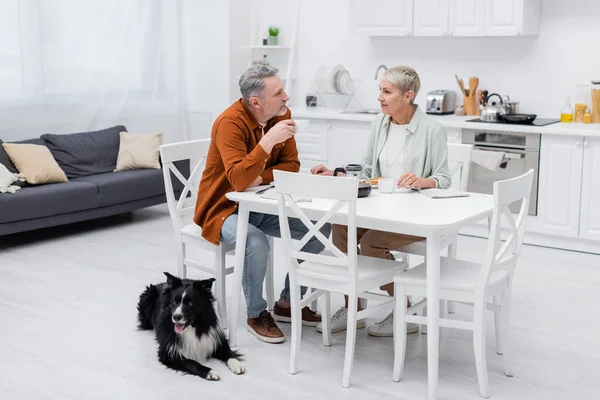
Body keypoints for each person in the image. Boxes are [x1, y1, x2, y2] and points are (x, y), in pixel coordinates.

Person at [193, 65, 331, 344]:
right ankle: (256, 313)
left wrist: (258, 177)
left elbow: (291, 165)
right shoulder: (228, 123)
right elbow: (238, 181)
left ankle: (288, 303)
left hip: (259, 204)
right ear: (256, 102)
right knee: (255, 242)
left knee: (318, 226)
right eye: (279, 92)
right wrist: (268, 141)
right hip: (221, 208)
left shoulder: (281, 114)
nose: (287, 97)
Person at [311, 66, 451, 337]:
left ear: (408, 95)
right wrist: (337, 174)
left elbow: (444, 179)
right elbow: (367, 173)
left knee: (372, 242)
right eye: (380, 91)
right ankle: (352, 307)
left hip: (415, 214)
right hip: (378, 208)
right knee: (342, 229)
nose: (380, 97)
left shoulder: (432, 130)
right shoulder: (379, 124)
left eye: (387, 92)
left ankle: (405, 310)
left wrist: (424, 180)